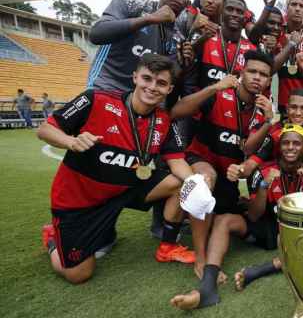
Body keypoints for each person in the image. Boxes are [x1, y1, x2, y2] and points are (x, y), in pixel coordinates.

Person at [38, 54, 200, 284]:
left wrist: (197, 183)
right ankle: (53, 238)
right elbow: (45, 129)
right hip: (80, 202)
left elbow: (176, 161)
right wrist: (71, 142)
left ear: (169, 88)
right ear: (135, 77)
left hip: (126, 189)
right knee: (79, 274)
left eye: (161, 83)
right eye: (147, 79)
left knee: (182, 182)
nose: (152, 87)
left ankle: (168, 246)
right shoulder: (95, 99)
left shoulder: (164, 120)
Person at [170, 124, 303, 309]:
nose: (290, 147)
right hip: (267, 226)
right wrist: (264, 186)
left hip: (296, 233)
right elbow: (255, 215)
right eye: (286, 143)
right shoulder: (264, 171)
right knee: (223, 220)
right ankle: (208, 287)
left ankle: (257, 271)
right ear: (279, 147)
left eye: (297, 144)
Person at [170, 50, 274, 275]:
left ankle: (191, 219)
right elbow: (176, 112)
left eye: (263, 74)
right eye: (252, 71)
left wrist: (267, 122)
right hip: (200, 160)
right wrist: (214, 87)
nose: (257, 77)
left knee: (223, 213)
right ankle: (201, 259)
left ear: (268, 80)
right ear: (241, 72)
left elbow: (247, 148)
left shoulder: (263, 107)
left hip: (229, 175)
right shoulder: (220, 92)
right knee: (206, 181)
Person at [88, 0, 191, 92]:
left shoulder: (179, 35)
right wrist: (150, 19)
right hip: (107, 87)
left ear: (188, 3)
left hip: (143, 98)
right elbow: (96, 33)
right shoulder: (131, 3)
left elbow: (169, 75)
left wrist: (183, 62)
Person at [179, 0, 257, 93]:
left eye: (239, 11)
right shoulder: (205, 38)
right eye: (230, 9)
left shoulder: (251, 50)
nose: (234, 14)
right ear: (221, 12)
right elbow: (187, 74)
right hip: (202, 106)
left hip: (235, 107)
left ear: (244, 17)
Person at [227, 88, 303, 178]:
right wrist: (239, 170)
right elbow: (252, 162)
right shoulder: (276, 133)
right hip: (269, 184)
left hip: (297, 184)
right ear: (287, 109)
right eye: (293, 107)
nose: (298, 113)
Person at [271, 0, 303, 116]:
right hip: (283, 103)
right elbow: (271, 69)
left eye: (302, 6)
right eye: (294, 4)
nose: (297, 9)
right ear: (286, 8)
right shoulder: (276, 32)